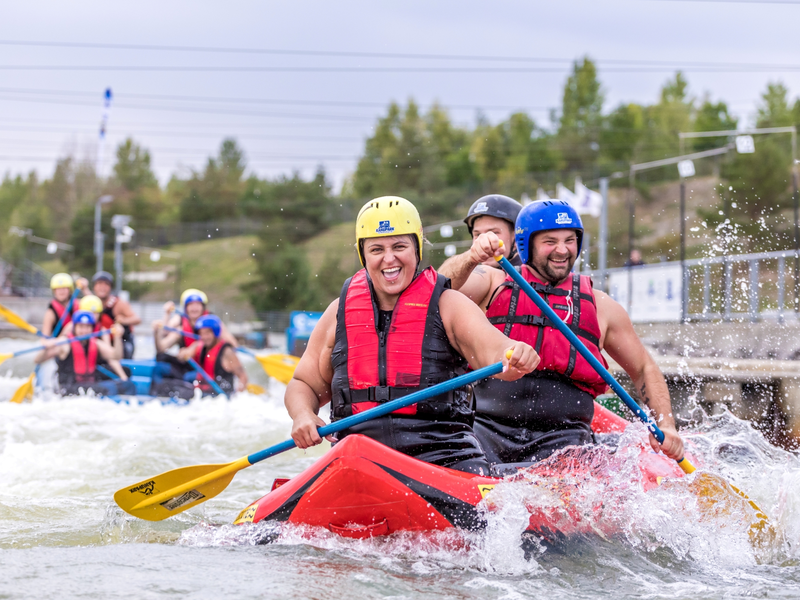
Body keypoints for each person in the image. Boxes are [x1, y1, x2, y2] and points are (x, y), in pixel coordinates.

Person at [286, 196, 540, 475]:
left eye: (399, 246)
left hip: (443, 456)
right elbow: (303, 383)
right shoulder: (338, 312)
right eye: (376, 249)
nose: (389, 258)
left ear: (417, 248)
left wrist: (515, 354)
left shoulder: (449, 304)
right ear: (363, 255)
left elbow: (494, 351)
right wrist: (303, 415)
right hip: (359, 458)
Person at [438, 199, 684, 465]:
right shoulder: (491, 281)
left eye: (569, 240)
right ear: (527, 245)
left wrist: (666, 424)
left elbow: (644, 367)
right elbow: (440, 288)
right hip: (487, 434)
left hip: (567, 445)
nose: (562, 250)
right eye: (550, 241)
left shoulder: (602, 307)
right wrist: (472, 257)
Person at [35, 311, 135, 397]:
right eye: (81, 327)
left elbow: (116, 356)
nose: (84, 331)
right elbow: (37, 360)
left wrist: (117, 337)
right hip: (68, 388)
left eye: (87, 327)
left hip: (88, 385)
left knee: (128, 381)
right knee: (108, 389)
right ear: (74, 327)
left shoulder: (95, 343)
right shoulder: (64, 344)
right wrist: (46, 346)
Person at [438, 194, 523, 291]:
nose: (483, 240)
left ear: (517, 238)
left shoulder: (534, 273)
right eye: (477, 235)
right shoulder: (475, 276)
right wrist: (470, 257)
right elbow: (438, 286)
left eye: (494, 232)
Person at [165, 314, 249, 398]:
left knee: (180, 392)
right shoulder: (200, 344)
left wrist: (236, 396)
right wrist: (182, 354)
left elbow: (243, 377)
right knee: (177, 384)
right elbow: (185, 353)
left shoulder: (227, 352)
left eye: (207, 333)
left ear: (216, 332)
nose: (204, 337)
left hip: (219, 395)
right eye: (202, 333)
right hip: (204, 390)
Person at [90, 271, 141, 359]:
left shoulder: (118, 304)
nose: (102, 287)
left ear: (110, 288)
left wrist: (124, 320)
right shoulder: (91, 303)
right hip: (103, 342)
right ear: (94, 287)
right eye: (99, 283)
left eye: (106, 284)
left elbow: (137, 319)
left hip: (121, 343)